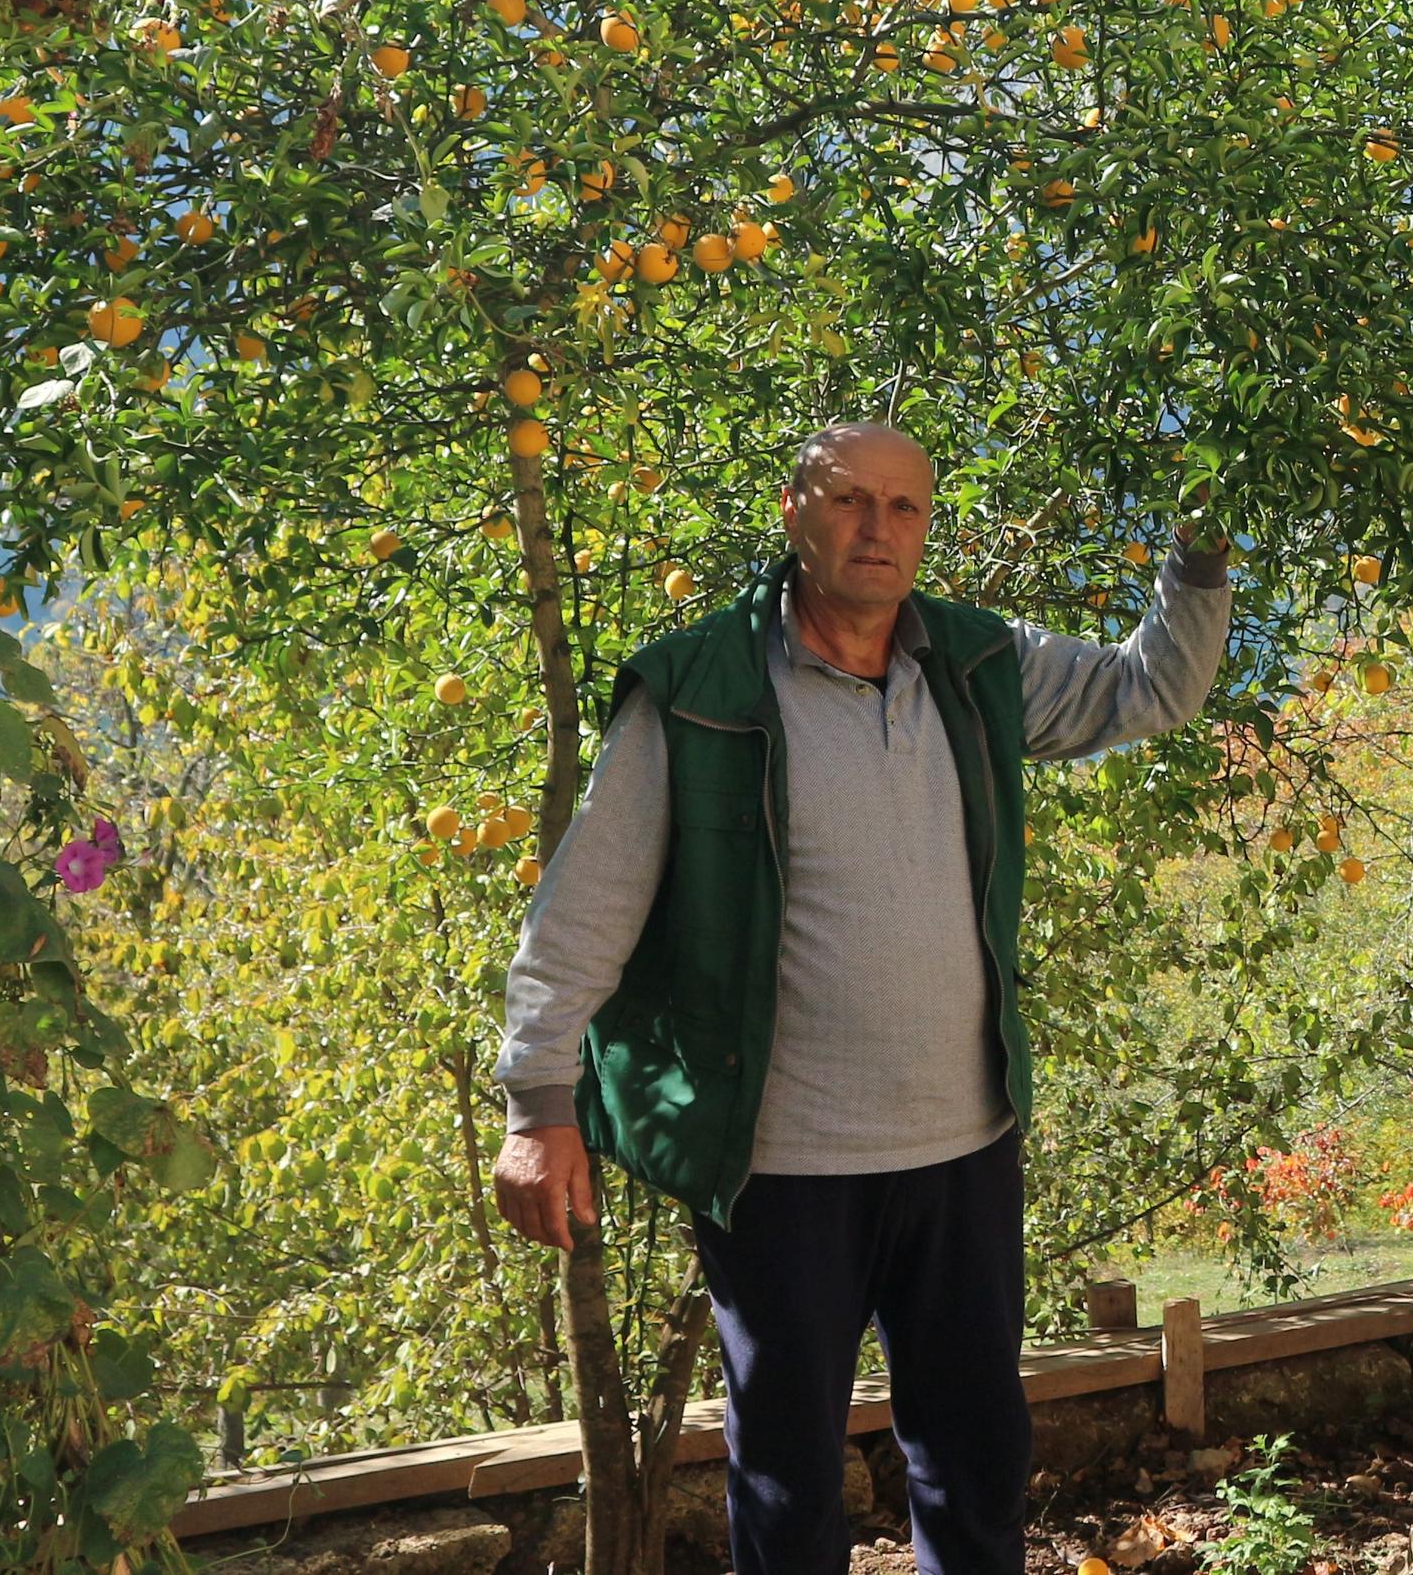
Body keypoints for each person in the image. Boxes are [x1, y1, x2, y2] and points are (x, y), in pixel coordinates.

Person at [492, 423, 1233, 1575]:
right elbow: (583, 911)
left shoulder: (979, 665)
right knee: (787, 1484)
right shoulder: (700, 690)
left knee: (977, 1458)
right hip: (782, 1170)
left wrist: (1198, 548)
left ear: (928, 528)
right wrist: (538, 1104)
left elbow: (1158, 689)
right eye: (850, 501)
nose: (878, 530)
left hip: (963, 1149)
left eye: (906, 508)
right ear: (796, 512)